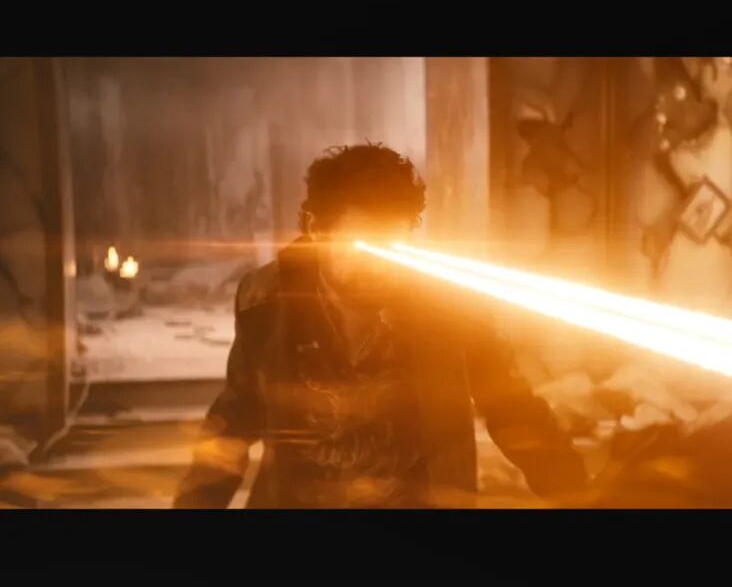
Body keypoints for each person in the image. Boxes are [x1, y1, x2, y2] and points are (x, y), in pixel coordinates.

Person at [173, 143, 588, 508]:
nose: (380, 266)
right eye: (362, 246)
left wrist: (579, 496)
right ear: (317, 230)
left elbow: (513, 409)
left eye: (392, 245)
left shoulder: (450, 306)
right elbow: (236, 415)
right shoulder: (267, 299)